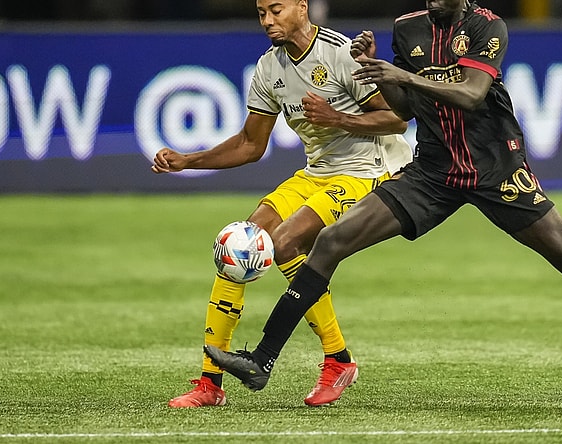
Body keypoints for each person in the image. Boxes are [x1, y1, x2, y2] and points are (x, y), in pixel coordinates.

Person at [203, 0, 562, 406]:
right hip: (433, 172)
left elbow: (470, 93)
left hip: (496, 168)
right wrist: (372, 71)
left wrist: (401, 76)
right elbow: (403, 109)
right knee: (332, 240)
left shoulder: (489, 26)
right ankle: (263, 360)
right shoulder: (408, 29)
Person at [152, 0, 412, 408]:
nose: (268, 21)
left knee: (286, 242)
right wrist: (189, 161)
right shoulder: (268, 69)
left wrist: (335, 118)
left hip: (369, 169)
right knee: (238, 244)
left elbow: (398, 118)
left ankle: (335, 359)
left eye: (276, 10)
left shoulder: (340, 54)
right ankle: (210, 382)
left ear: (301, 7)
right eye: (261, 13)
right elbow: (250, 144)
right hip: (319, 171)